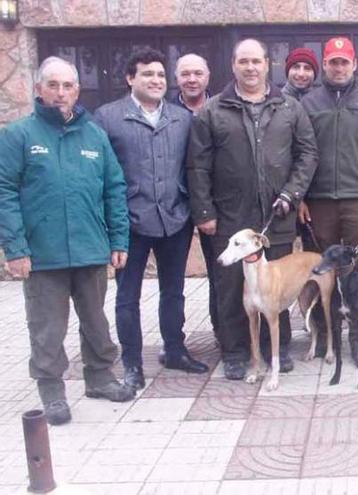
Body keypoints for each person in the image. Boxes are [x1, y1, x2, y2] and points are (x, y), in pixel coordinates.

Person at [0, 56, 134, 425]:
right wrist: (15, 248)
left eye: (68, 86)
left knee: (96, 321)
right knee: (47, 326)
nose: (61, 93)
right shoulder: (18, 136)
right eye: (53, 85)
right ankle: (52, 390)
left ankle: (101, 377)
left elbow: (114, 188)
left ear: (78, 90)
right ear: (38, 89)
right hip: (43, 254)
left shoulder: (94, 135)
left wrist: (118, 239)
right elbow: (5, 192)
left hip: (91, 247)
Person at [187, 38, 319, 380]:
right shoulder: (213, 111)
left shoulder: (289, 107)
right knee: (231, 286)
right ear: (233, 65)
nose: (250, 68)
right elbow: (197, 166)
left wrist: (292, 193)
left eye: (256, 61)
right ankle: (235, 351)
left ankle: (280, 346)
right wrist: (204, 213)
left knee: (277, 285)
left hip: (277, 214)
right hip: (230, 216)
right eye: (243, 61)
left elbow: (307, 155)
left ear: (267, 65)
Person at [94, 48, 208, 391]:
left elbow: (196, 167)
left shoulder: (182, 118)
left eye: (160, 75)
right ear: (131, 78)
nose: (155, 80)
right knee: (127, 296)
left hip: (174, 218)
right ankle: (132, 363)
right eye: (148, 74)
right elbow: (99, 176)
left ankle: (174, 349)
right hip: (130, 222)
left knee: (173, 291)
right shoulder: (107, 118)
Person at [299, 37, 358, 367]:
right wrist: (300, 197)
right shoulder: (308, 104)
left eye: (344, 62)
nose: (339, 67)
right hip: (319, 202)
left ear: (354, 65)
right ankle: (325, 334)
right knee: (323, 271)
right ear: (325, 65)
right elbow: (301, 154)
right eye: (333, 62)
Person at [169, 53, 218, 342]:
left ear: (208, 76)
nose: (192, 79)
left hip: (211, 204)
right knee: (172, 281)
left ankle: (221, 333)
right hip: (173, 205)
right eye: (186, 74)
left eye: (198, 73)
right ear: (177, 79)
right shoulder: (166, 112)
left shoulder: (221, 108)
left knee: (218, 275)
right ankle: (174, 343)